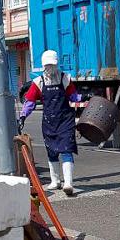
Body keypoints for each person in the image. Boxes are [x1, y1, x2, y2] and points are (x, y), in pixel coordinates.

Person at [19, 49, 80, 196]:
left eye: (52, 65)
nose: (50, 68)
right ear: (43, 65)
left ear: (56, 64)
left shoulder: (65, 78)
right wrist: (22, 116)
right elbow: (30, 102)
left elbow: (73, 96)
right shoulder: (38, 82)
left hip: (65, 119)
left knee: (66, 149)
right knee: (51, 151)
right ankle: (55, 181)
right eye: (47, 65)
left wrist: (83, 99)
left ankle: (68, 183)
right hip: (49, 122)